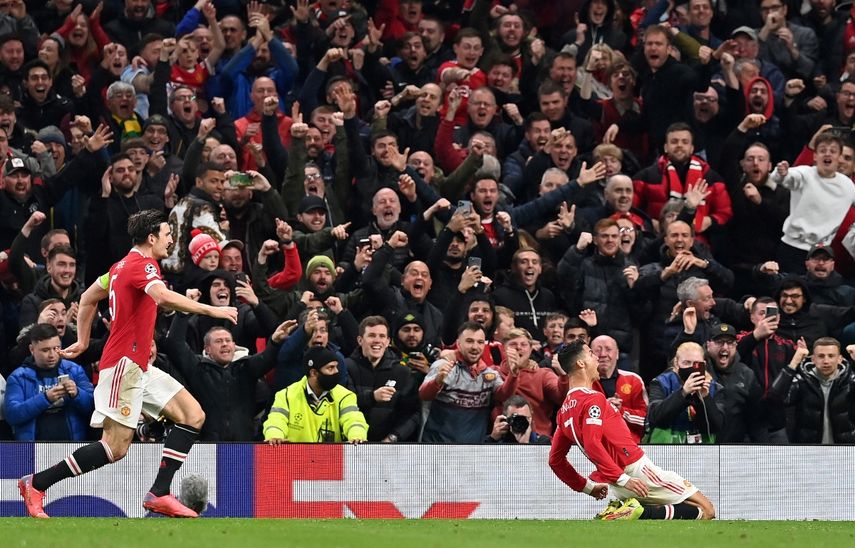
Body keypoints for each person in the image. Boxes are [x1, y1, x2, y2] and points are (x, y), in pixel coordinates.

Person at [18, 210, 238, 519]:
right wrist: (212, 311)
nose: (171, 240)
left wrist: (83, 341)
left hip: (138, 366)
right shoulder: (142, 265)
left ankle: (159, 493)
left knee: (193, 415)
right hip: (124, 366)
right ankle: (37, 483)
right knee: (115, 448)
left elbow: (88, 298)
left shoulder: (119, 268)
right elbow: (161, 296)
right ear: (151, 238)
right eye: (167, 234)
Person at [549, 339, 716, 520]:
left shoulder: (563, 411)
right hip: (636, 471)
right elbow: (591, 443)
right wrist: (623, 478)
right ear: (581, 363)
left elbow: (555, 461)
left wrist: (588, 488)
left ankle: (632, 510)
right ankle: (638, 512)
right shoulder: (593, 399)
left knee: (671, 514)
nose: (596, 357)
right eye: (590, 353)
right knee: (707, 510)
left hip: (618, 483)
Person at [3, 324, 94, 441]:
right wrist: (45, 398)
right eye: (45, 350)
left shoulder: (74, 370)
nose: (52, 355)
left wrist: (77, 394)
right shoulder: (18, 377)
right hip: (32, 448)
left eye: (56, 348)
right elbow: (12, 415)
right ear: (32, 349)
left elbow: (92, 408)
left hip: (73, 445)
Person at [263, 346, 368, 444]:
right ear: (313, 373)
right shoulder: (286, 396)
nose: (336, 372)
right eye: (330, 368)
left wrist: (357, 435)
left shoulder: (345, 396)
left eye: (336, 367)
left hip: (330, 457)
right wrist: (275, 436)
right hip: (296, 456)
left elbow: (353, 419)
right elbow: (276, 420)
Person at [769, 336, 855, 444]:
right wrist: (794, 363)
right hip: (808, 448)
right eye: (821, 356)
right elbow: (774, 399)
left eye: (831, 356)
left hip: (845, 448)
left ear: (840, 359)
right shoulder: (802, 381)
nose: (826, 361)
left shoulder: (850, 381)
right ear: (813, 359)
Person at [485, 395, 551, 444]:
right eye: (516, 418)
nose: (520, 422)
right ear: (506, 420)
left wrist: (525, 445)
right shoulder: (497, 443)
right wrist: (492, 439)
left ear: (531, 419)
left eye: (525, 418)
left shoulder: (542, 443)